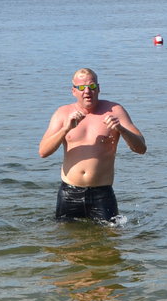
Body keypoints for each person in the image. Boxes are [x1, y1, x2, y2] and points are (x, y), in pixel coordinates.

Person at [39, 68, 146, 222]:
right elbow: (43, 152)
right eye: (81, 88)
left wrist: (121, 129)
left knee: (109, 243)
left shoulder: (115, 111)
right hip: (69, 193)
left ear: (99, 88)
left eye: (92, 87)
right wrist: (65, 129)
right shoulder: (62, 113)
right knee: (64, 243)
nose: (87, 91)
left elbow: (141, 148)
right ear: (73, 91)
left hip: (102, 194)